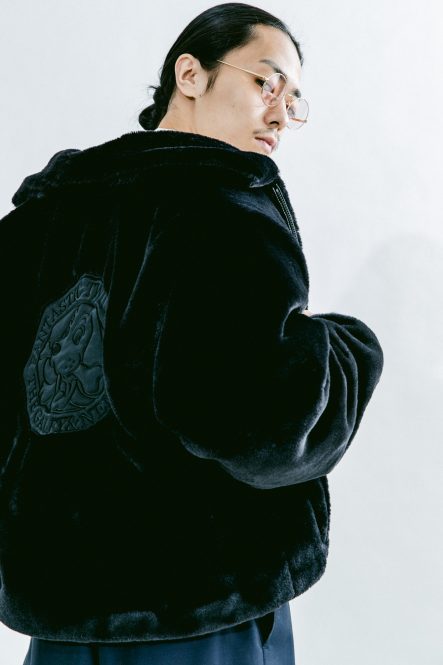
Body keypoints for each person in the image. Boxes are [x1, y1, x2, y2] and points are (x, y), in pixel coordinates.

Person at [0, 3, 384, 664]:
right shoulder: (219, 203)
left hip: (60, 616)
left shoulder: (39, 219)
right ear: (190, 74)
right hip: (195, 607)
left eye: (293, 100)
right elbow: (261, 419)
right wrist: (350, 350)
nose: (280, 114)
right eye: (267, 82)